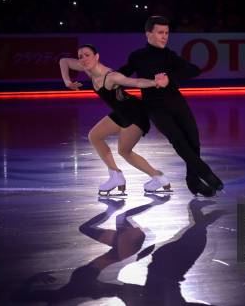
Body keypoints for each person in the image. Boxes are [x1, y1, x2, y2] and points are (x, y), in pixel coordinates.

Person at [119, 15, 223, 197]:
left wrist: (169, 78)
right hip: (155, 106)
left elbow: (194, 70)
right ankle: (206, 173)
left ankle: (193, 181)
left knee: (193, 141)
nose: (164, 36)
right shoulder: (137, 56)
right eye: (160, 32)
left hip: (176, 101)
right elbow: (121, 75)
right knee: (179, 141)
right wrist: (102, 75)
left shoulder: (169, 55)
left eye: (166, 33)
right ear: (148, 34)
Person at [59, 44, 171, 195]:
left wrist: (155, 82)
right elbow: (64, 61)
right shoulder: (87, 69)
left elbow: (135, 82)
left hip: (135, 114)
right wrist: (67, 82)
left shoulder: (111, 77)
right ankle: (115, 175)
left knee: (124, 151)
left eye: (87, 55)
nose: (83, 59)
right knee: (95, 136)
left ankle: (158, 177)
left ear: (96, 57)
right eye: (80, 56)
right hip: (121, 112)